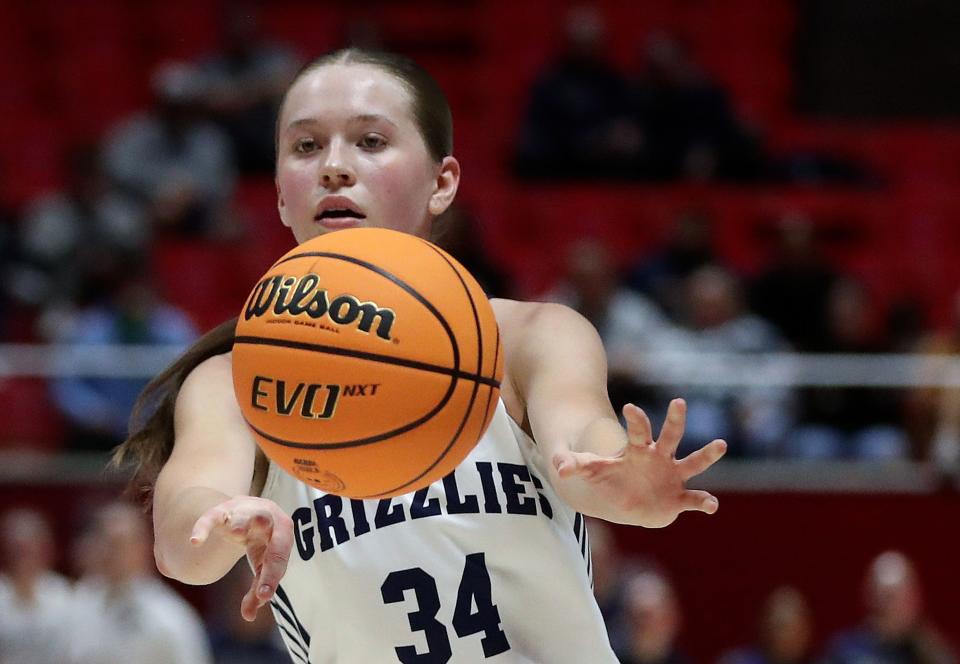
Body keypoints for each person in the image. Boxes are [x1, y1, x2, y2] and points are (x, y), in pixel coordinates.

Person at [114, 48, 727, 663]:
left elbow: (586, 445)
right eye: (305, 147)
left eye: (370, 141)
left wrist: (622, 478)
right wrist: (219, 523)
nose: (333, 167)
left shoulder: (529, 335)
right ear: (278, 196)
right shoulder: (233, 380)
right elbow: (181, 535)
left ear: (442, 182)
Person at [62, 501, 213, 664]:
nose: (106, 552)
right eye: (101, 541)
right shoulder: (82, 599)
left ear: (142, 548)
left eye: (116, 544)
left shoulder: (169, 616)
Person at [823, 551, 956, 664]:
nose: (886, 605)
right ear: (868, 596)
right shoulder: (846, 652)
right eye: (884, 595)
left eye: (900, 596)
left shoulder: (931, 652)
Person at [0, 508, 73, 664]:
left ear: (45, 549)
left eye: (29, 548)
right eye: (17, 549)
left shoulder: (63, 593)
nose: (23, 557)